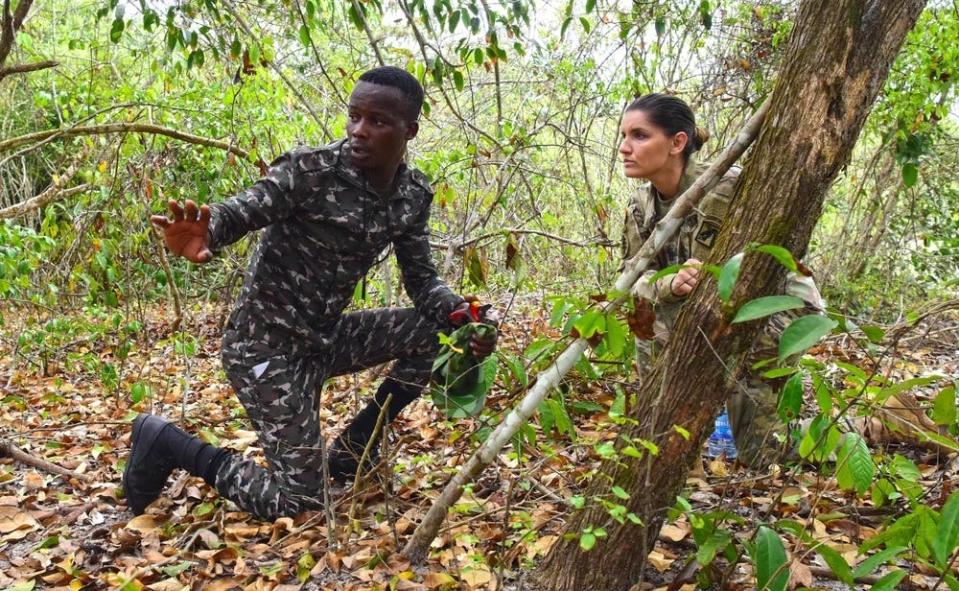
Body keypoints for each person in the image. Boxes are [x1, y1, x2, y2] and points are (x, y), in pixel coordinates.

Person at [124, 66, 497, 520]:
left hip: (325, 339)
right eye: (354, 116)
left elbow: (421, 280)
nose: (359, 130)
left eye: (377, 121)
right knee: (300, 502)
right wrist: (209, 228)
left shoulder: (413, 195)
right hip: (263, 346)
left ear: (409, 130)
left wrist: (463, 315)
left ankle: (353, 449)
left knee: (431, 331)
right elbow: (244, 209)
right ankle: (167, 442)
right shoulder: (309, 170)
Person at [618, 93, 825, 466]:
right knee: (647, 322)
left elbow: (780, 258)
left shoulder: (730, 189)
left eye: (639, 136)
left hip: (778, 311)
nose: (624, 147)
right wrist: (668, 285)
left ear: (677, 143)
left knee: (765, 453)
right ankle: (670, 449)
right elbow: (630, 278)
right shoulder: (639, 208)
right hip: (713, 313)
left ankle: (871, 426)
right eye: (623, 135)